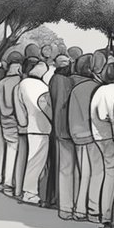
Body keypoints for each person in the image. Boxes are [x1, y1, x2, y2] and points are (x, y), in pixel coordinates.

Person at [91, 60, 114, 228]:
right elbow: (110, 117)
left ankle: (105, 213)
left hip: (99, 136)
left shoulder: (100, 90)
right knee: (112, 175)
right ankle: (107, 215)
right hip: (109, 137)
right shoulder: (111, 91)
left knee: (107, 173)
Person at [14, 60, 53, 206]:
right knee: (36, 161)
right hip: (43, 127)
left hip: (31, 127)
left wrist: (23, 123)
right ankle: (30, 193)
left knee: (34, 160)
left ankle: (29, 191)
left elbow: (20, 108)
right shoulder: (41, 85)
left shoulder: (22, 85)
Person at [68, 56, 99, 220]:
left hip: (78, 135)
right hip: (93, 135)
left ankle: (79, 209)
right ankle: (93, 209)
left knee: (83, 173)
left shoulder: (75, 89)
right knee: (96, 173)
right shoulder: (96, 87)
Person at [0, 53, 23, 196]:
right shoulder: (21, 82)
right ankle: (10, 183)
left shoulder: (1, 83)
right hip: (18, 121)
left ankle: (4, 179)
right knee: (16, 152)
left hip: (4, 121)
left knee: (7, 150)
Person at [48, 55, 76, 212]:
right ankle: (59, 200)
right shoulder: (60, 80)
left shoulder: (60, 79)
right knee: (62, 165)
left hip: (62, 128)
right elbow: (59, 105)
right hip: (61, 129)